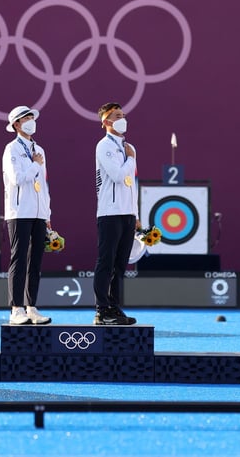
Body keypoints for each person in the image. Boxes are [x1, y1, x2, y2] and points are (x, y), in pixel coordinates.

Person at [2, 105, 53, 325]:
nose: (31, 121)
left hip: (38, 212)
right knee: (19, 258)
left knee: (36, 261)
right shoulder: (11, 149)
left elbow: (44, 183)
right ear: (16, 124)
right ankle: (16, 309)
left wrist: (47, 213)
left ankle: (31, 307)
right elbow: (17, 179)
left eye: (32, 117)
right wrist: (35, 164)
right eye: (26, 118)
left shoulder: (39, 149)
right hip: (19, 211)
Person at [93, 102, 139, 325]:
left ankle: (115, 306)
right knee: (106, 261)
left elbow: (132, 184)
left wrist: (136, 213)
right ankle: (102, 310)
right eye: (117, 115)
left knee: (120, 264)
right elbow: (118, 175)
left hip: (127, 212)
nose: (123, 118)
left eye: (123, 114)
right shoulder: (104, 146)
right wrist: (130, 159)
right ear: (106, 122)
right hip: (110, 212)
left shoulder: (129, 147)